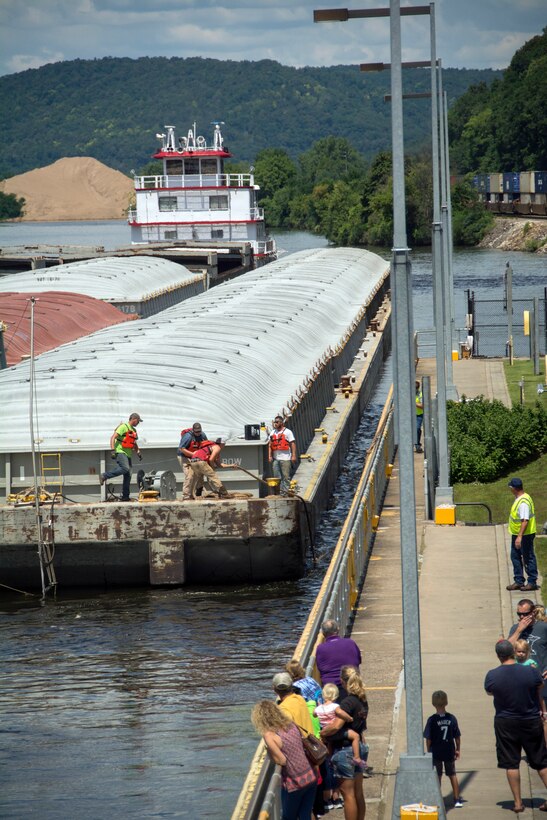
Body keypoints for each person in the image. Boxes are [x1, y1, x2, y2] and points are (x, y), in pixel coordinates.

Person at [484, 639, 547, 813]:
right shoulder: (530, 671)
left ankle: (518, 803)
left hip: (505, 722)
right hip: (530, 720)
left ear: (498, 656)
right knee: (541, 762)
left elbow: (490, 691)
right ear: (513, 652)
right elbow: (540, 685)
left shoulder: (492, 675)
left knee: (511, 763)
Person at [251, 699, 317, 820]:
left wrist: (270, 752)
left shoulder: (269, 735)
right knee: (304, 815)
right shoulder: (290, 724)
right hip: (310, 775)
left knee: (288, 816)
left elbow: (282, 760)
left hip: (295, 782)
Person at [319, 671, 368, 820]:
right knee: (358, 792)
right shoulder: (362, 700)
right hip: (358, 747)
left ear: (342, 681)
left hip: (345, 751)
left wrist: (323, 733)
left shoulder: (347, 702)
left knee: (348, 795)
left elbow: (336, 726)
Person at [423, 690, 463, 808]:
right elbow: (457, 737)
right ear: (446, 702)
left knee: (438, 775)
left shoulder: (432, 720)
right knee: (452, 774)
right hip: (449, 750)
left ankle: (437, 800)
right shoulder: (452, 718)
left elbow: (428, 739)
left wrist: (429, 750)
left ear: (433, 704)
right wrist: (458, 749)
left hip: (436, 751)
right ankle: (457, 799)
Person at [314, 684, 365, 768]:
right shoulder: (335, 706)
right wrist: (349, 718)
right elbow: (341, 713)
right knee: (355, 736)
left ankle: (329, 758)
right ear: (336, 696)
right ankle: (357, 757)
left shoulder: (318, 708)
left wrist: (319, 708)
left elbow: (314, 714)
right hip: (335, 731)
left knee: (330, 742)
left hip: (326, 732)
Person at [507, 599, 547, 698]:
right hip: (519, 678)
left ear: (533, 612)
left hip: (541, 677)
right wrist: (518, 631)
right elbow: (506, 649)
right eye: (519, 614)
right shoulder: (515, 628)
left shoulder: (543, 627)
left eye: (525, 614)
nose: (522, 617)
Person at [100, 412, 142, 501]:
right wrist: (112, 450)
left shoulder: (134, 431)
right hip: (120, 451)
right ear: (134, 419)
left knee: (128, 475)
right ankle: (104, 476)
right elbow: (113, 437)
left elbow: (134, 442)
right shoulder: (123, 427)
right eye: (138, 421)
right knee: (125, 468)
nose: (138, 423)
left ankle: (125, 496)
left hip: (128, 454)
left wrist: (138, 452)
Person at [506, 477, 538, 592]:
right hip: (518, 534)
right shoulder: (521, 498)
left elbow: (525, 521)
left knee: (528, 557)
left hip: (525, 535)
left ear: (514, 488)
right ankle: (519, 581)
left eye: (510, 487)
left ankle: (532, 582)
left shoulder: (523, 502)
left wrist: (519, 536)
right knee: (515, 556)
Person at [315, 619, 361, 696]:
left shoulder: (320, 648)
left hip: (331, 689)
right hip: (351, 684)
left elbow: (321, 668)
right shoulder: (350, 643)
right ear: (338, 630)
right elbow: (358, 660)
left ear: (323, 633)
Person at [177, 422, 208, 500]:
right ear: (193, 431)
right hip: (184, 456)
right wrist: (192, 454)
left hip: (195, 457)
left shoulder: (203, 435)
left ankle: (194, 493)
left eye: (199, 431)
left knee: (198, 474)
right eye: (196, 432)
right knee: (189, 476)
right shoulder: (187, 437)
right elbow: (181, 448)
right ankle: (186, 495)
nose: (198, 433)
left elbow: (206, 445)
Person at [268, 415, 297, 496]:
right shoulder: (273, 432)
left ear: (281, 423)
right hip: (275, 459)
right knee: (277, 478)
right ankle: (279, 493)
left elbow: (292, 444)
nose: (275, 424)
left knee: (286, 477)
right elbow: (270, 445)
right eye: (274, 422)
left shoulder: (288, 432)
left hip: (285, 459)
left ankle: (285, 493)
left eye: (277, 422)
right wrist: (270, 456)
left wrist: (293, 455)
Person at [415, 380, 424, 453]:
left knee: (417, 428)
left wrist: (414, 403)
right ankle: (416, 444)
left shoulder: (420, 395)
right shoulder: (408, 394)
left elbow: (422, 406)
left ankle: (417, 445)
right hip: (410, 416)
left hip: (419, 415)